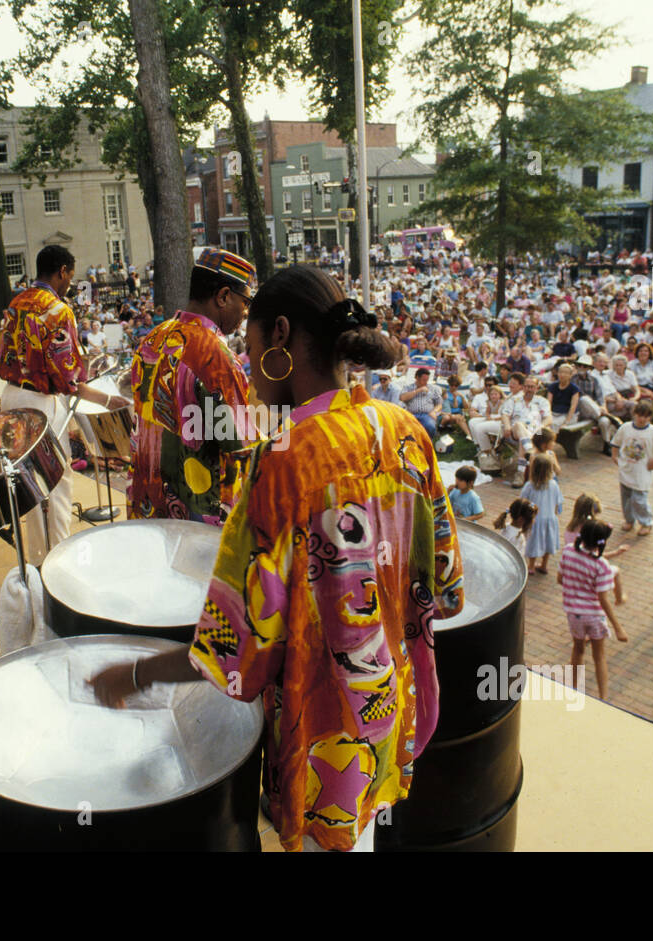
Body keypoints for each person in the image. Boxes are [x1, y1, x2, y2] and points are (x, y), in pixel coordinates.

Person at [91, 265, 464, 852]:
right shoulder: (405, 430)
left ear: (281, 336)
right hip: (393, 706)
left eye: (251, 343)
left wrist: (136, 674)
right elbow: (443, 585)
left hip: (325, 742)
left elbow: (235, 652)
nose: (246, 363)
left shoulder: (285, 464)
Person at [0, 245, 129, 555]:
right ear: (62, 272)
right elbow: (69, 378)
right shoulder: (57, 310)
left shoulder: (17, 303)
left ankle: (39, 556)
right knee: (55, 482)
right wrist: (108, 400)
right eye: (70, 274)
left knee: (29, 483)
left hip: (11, 397)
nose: (71, 281)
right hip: (40, 404)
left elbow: (3, 358)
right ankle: (59, 556)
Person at [129, 248, 258, 525]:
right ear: (223, 296)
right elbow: (240, 446)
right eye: (245, 302)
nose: (245, 312)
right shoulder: (214, 357)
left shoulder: (152, 339)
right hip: (196, 518)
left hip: (151, 507)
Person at [558, 520, 628, 699]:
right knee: (599, 656)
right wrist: (618, 627)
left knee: (578, 649)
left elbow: (560, 578)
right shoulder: (601, 566)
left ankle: (573, 689)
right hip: (594, 617)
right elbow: (603, 599)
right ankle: (603, 697)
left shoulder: (567, 551)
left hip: (573, 614)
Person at [610, 400, 653, 536]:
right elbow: (615, 442)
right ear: (634, 414)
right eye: (640, 415)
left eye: (646, 416)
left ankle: (646, 522)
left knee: (639, 499)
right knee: (626, 498)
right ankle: (629, 520)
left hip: (642, 472)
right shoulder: (625, 428)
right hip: (626, 470)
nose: (642, 419)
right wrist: (614, 456)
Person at [520, 452, 562, 575]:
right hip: (550, 518)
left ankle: (531, 566)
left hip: (534, 520)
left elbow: (523, 502)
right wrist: (554, 515)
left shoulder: (530, 486)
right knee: (548, 541)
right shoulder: (554, 485)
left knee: (533, 542)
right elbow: (557, 503)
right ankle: (544, 565)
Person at [399, 367, 443, 440]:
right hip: (411, 414)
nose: (425, 382)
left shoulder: (433, 388)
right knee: (405, 428)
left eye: (427, 380)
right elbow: (402, 398)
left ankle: (428, 443)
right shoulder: (408, 387)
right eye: (424, 380)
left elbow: (439, 404)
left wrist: (434, 411)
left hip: (427, 414)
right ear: (417, 378)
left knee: (430, 426)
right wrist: (418, 391)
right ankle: (412, 445)